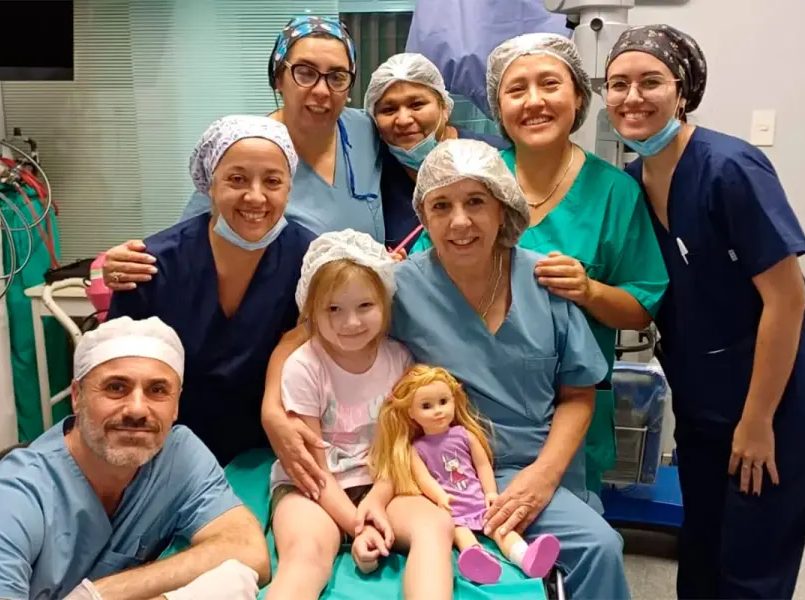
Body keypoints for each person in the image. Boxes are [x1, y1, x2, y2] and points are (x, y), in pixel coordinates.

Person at [267, 139, 632, 600]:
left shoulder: (545, 282)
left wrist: (542, 477)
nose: (459, 221)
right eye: (441, 205)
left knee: (598, 547)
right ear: (424, 216)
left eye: (476, 201)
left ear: (503, 209)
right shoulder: (396, 287)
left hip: (529, 468)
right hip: (429, 473)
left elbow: (580, 393)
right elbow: (305, 334)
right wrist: (272, 411)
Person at [604, 25, 805, 599]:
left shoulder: (729, 168)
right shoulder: (635, 180)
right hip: (709, 399)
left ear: (683, 92)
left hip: (781, 398)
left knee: (749, 567)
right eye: (618, 84)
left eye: (650, 81)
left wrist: (757, 422)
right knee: (702, 552)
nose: (632, 97)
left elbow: (787, 298)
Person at [414, 33, 669, 501]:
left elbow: (641, 308)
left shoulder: (615, 192)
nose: (534, 102)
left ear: (577, 96)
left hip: (570, 408)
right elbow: (422, 281)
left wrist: (589, 291)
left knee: (568, 547)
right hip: (455, 416)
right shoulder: (470, 179)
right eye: (516, 90)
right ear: (498, 106)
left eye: (549, 84)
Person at [0, 316, 269, 600]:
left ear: (176, 405)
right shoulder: (10, 500)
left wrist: (98, 594)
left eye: (158, 390)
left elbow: (248, 550)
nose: (138, 410)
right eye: (116, 387)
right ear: (77, 397)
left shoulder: (178, 456)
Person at [103, 15, 383, 292]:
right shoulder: (249, 149)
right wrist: (131, 261)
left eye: (337, 77)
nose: (322, 90)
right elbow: (190, 240)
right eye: (305, 73)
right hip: (288, 316)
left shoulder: (365, 131)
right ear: (278, 79)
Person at [105, 115, 317, 467]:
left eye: (272, 181)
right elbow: (115, 368)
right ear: (209, 184)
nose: (255, 196)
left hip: (271, 449)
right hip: (164, 450)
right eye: (237, 179)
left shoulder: (308, 260)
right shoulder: (151, 265)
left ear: (289, 189)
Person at [264, 230, 454, 600]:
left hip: (383, 481)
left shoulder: (399, 360)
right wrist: (357, 525)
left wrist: (376, 502)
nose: (350, 322)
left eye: (365, 306)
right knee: (306, 553)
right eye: (333, 309)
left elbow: (400, 444)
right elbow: (313, 466)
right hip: (312, 486)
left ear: (385, 303)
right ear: (311, 311)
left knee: (436, 526)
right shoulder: (304, 366)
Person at [369, 364, 562, 584]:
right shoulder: (416, 449)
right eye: (426, 406)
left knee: (500, 529)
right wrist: (440, 498)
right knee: (460, 533)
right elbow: (424, 480)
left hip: (479, 502)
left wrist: (490, 492)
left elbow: (482, 466)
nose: (438, 410)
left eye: (443, 402)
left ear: (454, 399)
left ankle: (527, 557)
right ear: (411, 413)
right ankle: (477, 561)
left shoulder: (464, 435)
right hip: (451, 510)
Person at [364, 52, 509, 251]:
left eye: (417, 105)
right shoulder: (374, 177)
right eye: (389, 110)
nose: (404, 119)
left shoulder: (495, 157)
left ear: (444, 107)